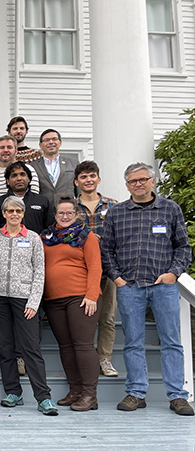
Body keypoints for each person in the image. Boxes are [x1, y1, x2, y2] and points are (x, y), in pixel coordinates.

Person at [101, 163, 194, 416]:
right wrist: (117, 278)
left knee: (172, 342)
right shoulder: (116, 213)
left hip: (162, 286)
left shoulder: (170, 209)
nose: (138, 184)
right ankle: (136, 393)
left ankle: (177, 396)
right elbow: (106, 250)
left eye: (143, 179)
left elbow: (183, 247)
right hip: (130, 286)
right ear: (126, 184)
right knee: (132, 342)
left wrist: (173, 273)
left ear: (153, 181)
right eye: (132, 181)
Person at [0, 196, 58, 416]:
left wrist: (34, 302)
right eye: (10, 211)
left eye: (18, 211)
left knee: (31, 349)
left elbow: (40, 272)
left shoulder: (34, 238)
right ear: (4, 214)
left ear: (23, 213)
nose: (14, 214)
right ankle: (13, 392)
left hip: (25, 299)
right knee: (5, 347)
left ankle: (43, 397)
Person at [41, 196, 102, 411]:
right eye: (60, 213)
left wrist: (92, 295)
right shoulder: (46, 236)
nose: (64, 216)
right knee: (65, 347)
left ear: (76, 215)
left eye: (69, 213)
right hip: (53, 299)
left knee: (83, 345)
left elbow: (95, 267)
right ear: (55, 215)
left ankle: (89, 394)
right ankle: (75, 390)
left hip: (81, 297)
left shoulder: (86, 236)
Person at [73, 161, 119, 377]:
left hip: (109, 268)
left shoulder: (114, 205)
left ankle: (104, 359)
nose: (88, 180)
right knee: (84, 317)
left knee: (107, 317)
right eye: (83, 177)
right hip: (82, 270)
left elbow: (123, 236)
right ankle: (86, 358)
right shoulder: (71, 209)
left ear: (98, 179)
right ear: (76, 182)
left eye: (92, 176)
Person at [0, 161, 53, 235]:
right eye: (14, 175)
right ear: (8, 181)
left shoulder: (42, 201)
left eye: (22, 174)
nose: (19, 178)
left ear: (29, 179)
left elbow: (50, 228)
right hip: (6, 245)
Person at [29, 129, 78, 205]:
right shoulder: (32, 166)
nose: (51, 142)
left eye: (54, 139)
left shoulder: (73, 164)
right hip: (43, 211)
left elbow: (79, 192)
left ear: (60, 142)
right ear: (40, 145)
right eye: (47, 140)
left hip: (67, 212)